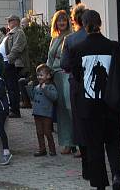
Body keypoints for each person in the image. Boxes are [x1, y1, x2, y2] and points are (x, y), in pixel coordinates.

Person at [69, 9, 120, 190]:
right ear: (100, 23)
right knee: (113, 141)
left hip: (88, 105)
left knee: (94, 145)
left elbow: (77, 76)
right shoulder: (115, 47)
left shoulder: (77, 49)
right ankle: (117, 175)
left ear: (83, 24)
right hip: (112, 102)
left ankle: (99, 183)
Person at [61, 3, 89, 164]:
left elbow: (65, 64)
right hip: (96, 82)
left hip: (77, 81)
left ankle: (82, 146)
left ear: (75, 20)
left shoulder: (70, 39)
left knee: (78, 115)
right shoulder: (99, 38)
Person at [46, 9, 75, 154]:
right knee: (62, 110)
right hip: (56, 75)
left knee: (71, 108)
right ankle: (67, 142)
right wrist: (46, 74)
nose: (62, 22)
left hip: (67, 75)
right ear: (55, 23)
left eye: (64, 20)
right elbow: (49, 59)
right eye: (59, 20)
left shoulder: (72, 37)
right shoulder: (54, 38)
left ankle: (79, 140)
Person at [3, 14, 28, 118]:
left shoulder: (18, 32)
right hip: (11, 63)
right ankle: (13, 108)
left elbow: (17, 48)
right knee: (11, 87)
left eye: (9, 21)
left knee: (13, 87)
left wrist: (8, 60)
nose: (7, 23)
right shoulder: (12, 33)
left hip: (14, 64)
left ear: (14, 22)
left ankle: (15, 110)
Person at [31, 64, 58, 157]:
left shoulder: (50, 86)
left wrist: (45, 89)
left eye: (41, 75)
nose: (39, 77)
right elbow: (33, 97)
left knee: (47, 131)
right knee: (39, 132)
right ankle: (42, 149)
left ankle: (52, 149)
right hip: (37, 113)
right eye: (38, 75)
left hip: (46, 113)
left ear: (48, 76)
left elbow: (54, 97)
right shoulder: (37, 87)